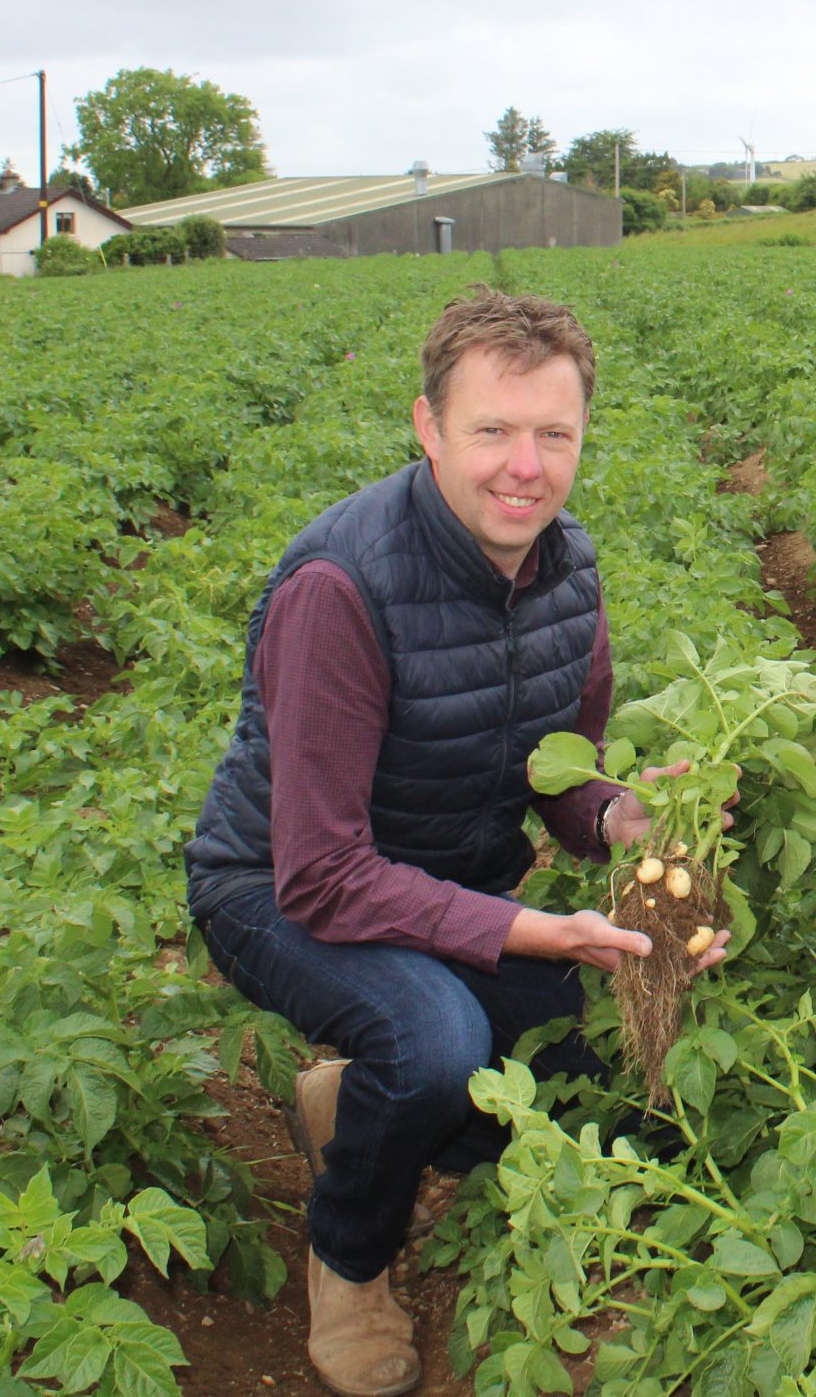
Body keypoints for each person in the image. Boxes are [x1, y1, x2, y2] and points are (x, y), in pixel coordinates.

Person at [185, 288, 724, 1397]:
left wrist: (630, 818)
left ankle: (369, 1105)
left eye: (553, 435)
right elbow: (325, 874)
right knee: (435, 1043)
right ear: (427, 428)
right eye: (491, 430)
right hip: (281, 897)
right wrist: (531, 932)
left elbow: (561, 784)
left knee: (623, 1073)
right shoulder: (341, 586)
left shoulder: (568, 570)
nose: (524, 465)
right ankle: (348, 1252)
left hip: (452, 887)